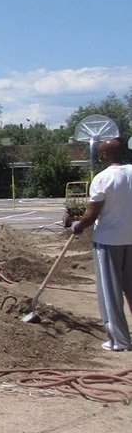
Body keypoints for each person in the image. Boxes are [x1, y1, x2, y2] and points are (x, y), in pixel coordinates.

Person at [65, 137, 132, 352]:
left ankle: (119, 340)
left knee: (110, 292)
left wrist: (77, 225)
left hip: (108, 241)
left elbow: (92, 215)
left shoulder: (103, 178)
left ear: (103, 155)